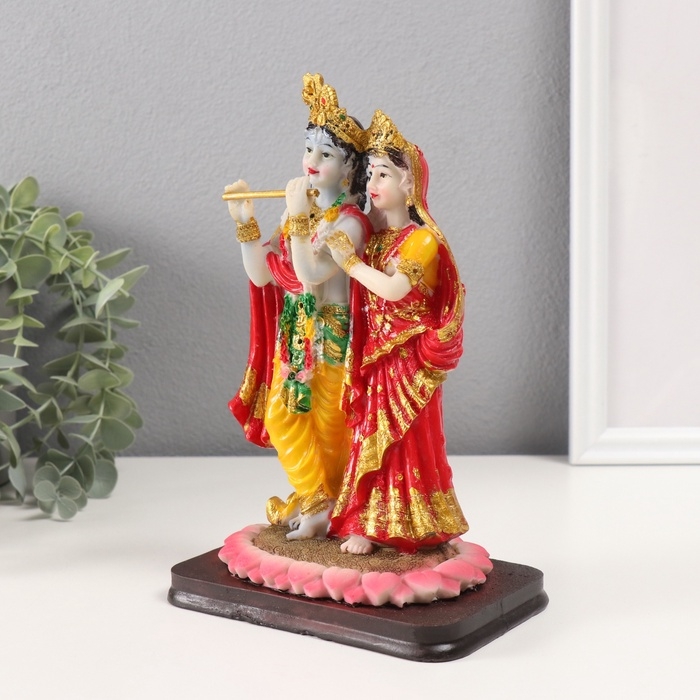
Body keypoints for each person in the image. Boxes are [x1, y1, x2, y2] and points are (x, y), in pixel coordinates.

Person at [226, 75, 371, 540]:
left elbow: (311, 273)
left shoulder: (351, 223)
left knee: (329, 428)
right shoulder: (297, 213)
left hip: (331, 333)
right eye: (308, 150)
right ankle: (315, 500)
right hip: (296, 330)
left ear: (349, 168)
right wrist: (246, 224)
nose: (311, 162)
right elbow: (262, 275)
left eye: (325, 155)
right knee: (283, 417)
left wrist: (302, 219)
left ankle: (331, 503)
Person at [324, 110, 468, 554]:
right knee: (370, 437)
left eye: (383, 174)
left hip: (408, 361)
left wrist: (350, 262)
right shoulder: (374, 239)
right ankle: (367, 523)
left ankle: (412, 524)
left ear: (410, 184)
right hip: (375, 357)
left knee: (405, 442)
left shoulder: (422, 241)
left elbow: (392, 289)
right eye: (370, 173)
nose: (372, 183)